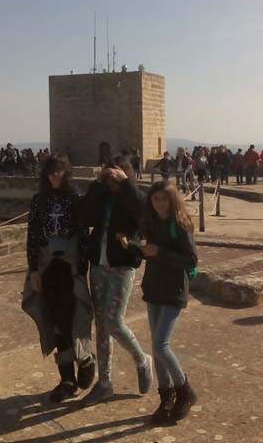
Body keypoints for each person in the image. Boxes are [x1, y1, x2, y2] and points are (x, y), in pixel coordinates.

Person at [22, 155, 95, 403]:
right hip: (47, 269)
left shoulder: (74, 198)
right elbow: (33, 235)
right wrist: (33, 269)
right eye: (51, 170)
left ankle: (85, 360)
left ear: (66, 173)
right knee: (54, 322)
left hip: (69, 268)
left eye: (59, 170)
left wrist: (82, 267)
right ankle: (67, 380)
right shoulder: (39, 200)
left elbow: (83, 234)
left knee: (75, 318)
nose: (55, 175)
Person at [80, 155, 153, 405]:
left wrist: (126, 184)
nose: (112, 182)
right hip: (98, 265)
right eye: (109, 177)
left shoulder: (134, 195)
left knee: (113, 321)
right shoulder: (101, 195)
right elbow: (85, 217)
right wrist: (97, 185)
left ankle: (142, 360)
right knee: (101, 326)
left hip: (122, 265)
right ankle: (104, 383)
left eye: (116, 177)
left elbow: (145, 215)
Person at [137, 180, 199, 424]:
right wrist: (136, 247)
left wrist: (159, 252)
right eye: (156, 199)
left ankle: (185, 390)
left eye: (164, 199)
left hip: (174, 290)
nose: (160, 203)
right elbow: (148, 251)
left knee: (161, 345)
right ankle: (166, 398)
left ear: (172, 200)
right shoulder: (151, 223)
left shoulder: (181, 224)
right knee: (156, 347)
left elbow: (191, 259)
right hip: (154, 288)